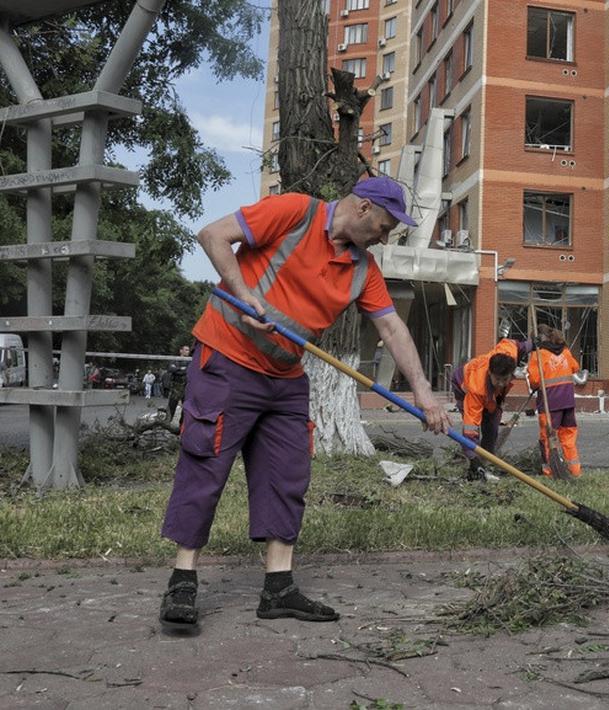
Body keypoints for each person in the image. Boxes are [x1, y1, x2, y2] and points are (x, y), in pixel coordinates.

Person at [158, 176, 449, 631]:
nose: (385, 237)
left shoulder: (362, 269)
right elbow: (212, 235)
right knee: (206, 465)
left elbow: (393, 328)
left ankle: (278, 588)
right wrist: (245, 294)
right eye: (385, 226)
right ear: (364, 208)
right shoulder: (295, 212)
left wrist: (425, 393)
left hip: (284, 375)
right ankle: (182, 581)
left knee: (287, 474)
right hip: (228, 357)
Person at [451, 336, 532, 481]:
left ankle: (484, 464)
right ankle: (474, 465)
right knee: (475, 429)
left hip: (492, 396)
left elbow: (514, 344)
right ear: (490, 373)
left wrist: (532, 344)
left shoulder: (508, 355)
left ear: (511, 374)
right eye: (497, 379)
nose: (501, 383)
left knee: (492, 429)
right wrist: (472, 456)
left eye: (505, 379)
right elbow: (471, 427)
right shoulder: (476, 389)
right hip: (462, 385)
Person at [527, 324, 584, 478]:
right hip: (567, 401)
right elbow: (575, 367)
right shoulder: (565, 350)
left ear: (538, 339)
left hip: (550, 402)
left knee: (548, 438)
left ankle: (550, 471)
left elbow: (534, 380)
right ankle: (575, 470)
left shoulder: (538, 355)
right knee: (568, 436)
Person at [165, 345, 191, 425]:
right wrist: (181, 370)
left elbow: (189, 371)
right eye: (186, 350)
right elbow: (170, 369)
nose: (187, 351)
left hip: (186, 387)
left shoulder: (190, 361)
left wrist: (178, 370)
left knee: (186, 408)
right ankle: (166, 424)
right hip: (175, 387)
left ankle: (182, 426)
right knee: (171, 407)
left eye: (188, 350)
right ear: (181, 351)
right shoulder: (174, 360)